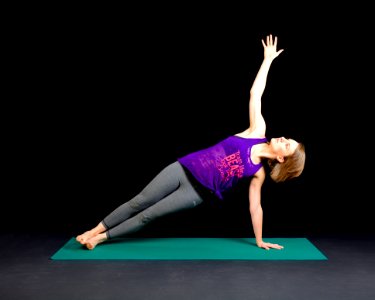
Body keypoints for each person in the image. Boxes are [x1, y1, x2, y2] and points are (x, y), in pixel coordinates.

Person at [76, 34, 306, 251]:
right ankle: (92, 230)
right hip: (184, 168)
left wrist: (259, 240)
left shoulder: (258, 173)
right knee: (139, 201)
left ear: (281, 158)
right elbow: (255, 94)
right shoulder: (257, 130)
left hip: (196, 193)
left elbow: (255, 207)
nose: (283, 139)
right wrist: (267, 61)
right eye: (287, 139)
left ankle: (99, 239)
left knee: (149, 215)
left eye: (287, 145)